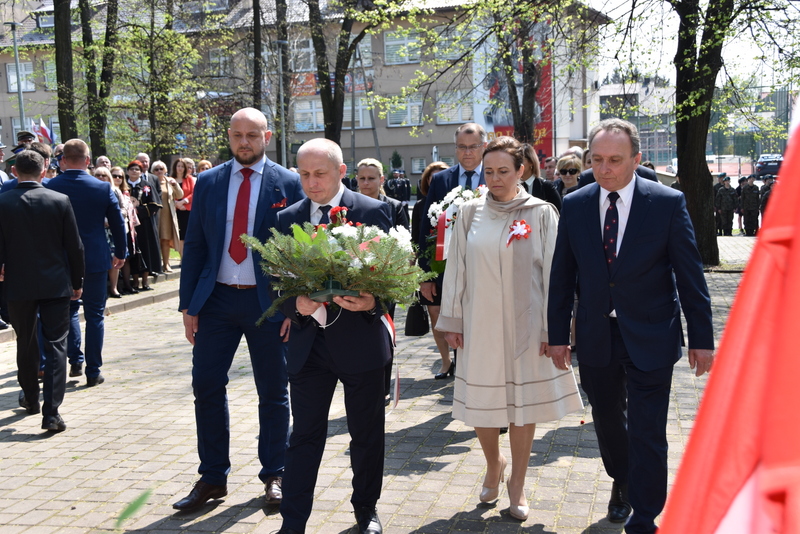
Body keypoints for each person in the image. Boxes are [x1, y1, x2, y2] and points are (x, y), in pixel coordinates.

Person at [547, 118, 714, 534]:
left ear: (636, 160)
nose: (605, 169)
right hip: (595, 336)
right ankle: (622, 479)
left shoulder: (667, 203)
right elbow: (562, 276)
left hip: (652, 335)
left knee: (648, 430)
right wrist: (556, 337)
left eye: (615, 160)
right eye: (598, 160)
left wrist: (702, 340)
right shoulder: (576, 204)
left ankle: (645, 515)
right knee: (607, 420)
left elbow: (690, 276)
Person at [436, 136, 583, 521]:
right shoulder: (468, 213)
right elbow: (456, 271)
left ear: (523, 170)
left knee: (521, 409)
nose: (496, 178)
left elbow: (555, 275)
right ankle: (493, 462)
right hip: (479, 324)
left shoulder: (542, 213)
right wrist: (452, 320)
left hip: (527, 327)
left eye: (504, 171)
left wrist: (555, 330)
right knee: (483, 409)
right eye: (489, 171)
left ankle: (517, 483)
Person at [174, 107, 304, 513]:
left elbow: (301, 248)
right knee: (206, 385)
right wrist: (187, 304)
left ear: (267, 137)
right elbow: (195, 244)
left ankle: (276, 474)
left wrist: (292, 307)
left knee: (273, 391)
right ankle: (213, 476)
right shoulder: (210, 182)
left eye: (252, 135)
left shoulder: (289, 182)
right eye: (237, 135)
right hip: (215, 302)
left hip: (269, 305)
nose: (244, 142)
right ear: (229, 137)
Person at [274, 138, 392, 534]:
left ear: (342, 172)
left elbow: (396, 281)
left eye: (319, 174)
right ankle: (292, 523)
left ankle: (366, 513)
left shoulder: (374, 211)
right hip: (309, 348)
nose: (311, 183)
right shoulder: (286, 218)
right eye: (304, 174)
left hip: (361, 344)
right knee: (304, 437)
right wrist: (296, 306)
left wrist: (373, 300)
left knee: (366, 435)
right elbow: (275, 283)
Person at [0, 150, 84, 431]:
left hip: (18, 283)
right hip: (55, 283)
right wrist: (77, 281)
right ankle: (51, 412)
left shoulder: (2, 201)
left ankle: (31, 398)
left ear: (15, 172)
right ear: (44, 171)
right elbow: (74, 245)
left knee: (25, 342)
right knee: (57, 343)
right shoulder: (59, 200)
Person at [46, 139, 127, 387]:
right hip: (94, 257)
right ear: (88, 161)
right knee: (94, 315)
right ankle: (93, 369)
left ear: (63, 160)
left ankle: (75, 359)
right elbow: (117, 223)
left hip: (60, 260)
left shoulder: (51, 186)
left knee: (68, 310)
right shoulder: (102, 189)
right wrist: (121, 252)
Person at [418, 123, 488, 378]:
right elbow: (427, 227)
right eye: (461, 147)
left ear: (484, 147)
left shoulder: (494, 176)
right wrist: (426, 275)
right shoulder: (440, 180)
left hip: (487, 267)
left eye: (473, 147)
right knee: (456, 323)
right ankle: (463, 376)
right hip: (448, 269)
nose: (467, 153)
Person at [412, 162, 452, 378]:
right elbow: (416, 239)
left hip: (454, 266)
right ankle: (446, 361)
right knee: (436, 316)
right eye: (431, 178)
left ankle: (463, 360)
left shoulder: (461, 202)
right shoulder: (420, 206)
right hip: (431, 268)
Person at [126, 160, 160, 290]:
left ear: (141, 172)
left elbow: (154, 205)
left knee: (146, 250)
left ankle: (145, 281)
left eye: (137, 169)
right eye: (131, 169)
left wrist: (137, 211)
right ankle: (134, 281)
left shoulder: (147, 185)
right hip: (128, 224)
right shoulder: (124, 185)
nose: (134, 171)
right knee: (133, 251)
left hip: (144, 224)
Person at [356, 158, 409, 229]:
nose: (366, 183)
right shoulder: (348, 206)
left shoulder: (394, 206)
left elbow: (404, 236)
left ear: (381, 180)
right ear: (357, 179)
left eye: (371, 178)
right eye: (362, 178)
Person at [135, 152, 163, 273]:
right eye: (142, 161)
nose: (144, 164)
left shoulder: (153, 178)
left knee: (151, 242)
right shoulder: (128, 181)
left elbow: (158, 196)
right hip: (134, 219)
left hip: (150, 216)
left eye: (146, 161)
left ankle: (153, 267)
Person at [152, 160, 183, 272]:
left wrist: (175, 185)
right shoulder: (150, 181)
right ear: (153, 171)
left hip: (167, 215)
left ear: (165, 170)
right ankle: (156, 265)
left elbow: (180, 195)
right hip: (154, 215)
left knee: (165, 240)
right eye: (156, 169)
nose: (159, 171)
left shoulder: (169, 181)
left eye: (161, 169)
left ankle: (166, 264)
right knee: (155, 240)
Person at [520, 144, 561, 212]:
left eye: (520, 160)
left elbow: (558, 212)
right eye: (514, 161)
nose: (517, 165)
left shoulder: (546, 186)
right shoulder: (512, 186)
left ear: (531, 162)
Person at [172, 158, 196, 252]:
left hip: (187, 210)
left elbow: (194, 193)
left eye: (182, 166)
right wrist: (176, 204)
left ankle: (187, 258)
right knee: (179, 236)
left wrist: (183, 202)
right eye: (178, 166)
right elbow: (167, 194)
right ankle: (182, 258)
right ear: (175, 167)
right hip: (175, 211)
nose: (180, 168)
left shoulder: (189, 179)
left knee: (187, 235)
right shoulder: (171, 179)